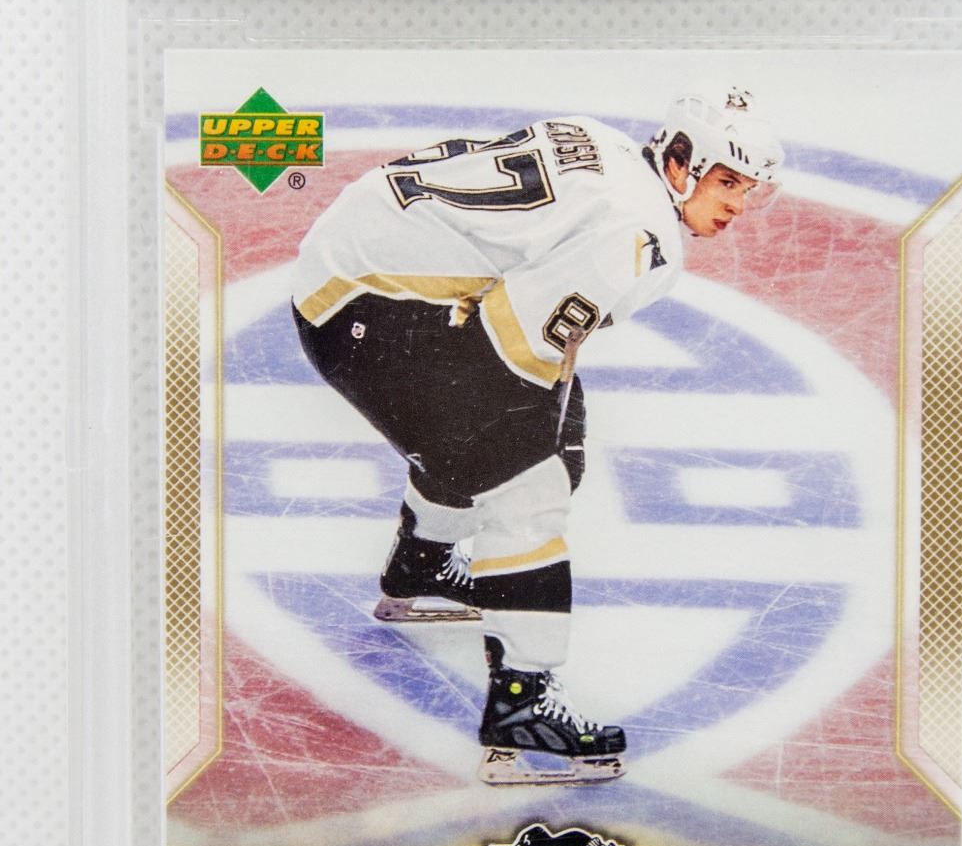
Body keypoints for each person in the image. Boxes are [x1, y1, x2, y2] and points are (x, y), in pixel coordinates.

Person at [292, 86, 783, 785]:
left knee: (527, 430)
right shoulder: (640, 235)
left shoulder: (602, 137)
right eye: (726, 181)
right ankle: (522, 701)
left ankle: (423, 562)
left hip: (351, 271)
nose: (738, 204)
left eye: (750, 189)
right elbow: (512, 344)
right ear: (680, 162)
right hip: (364, 310)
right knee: (529, 480)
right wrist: (515, 459)